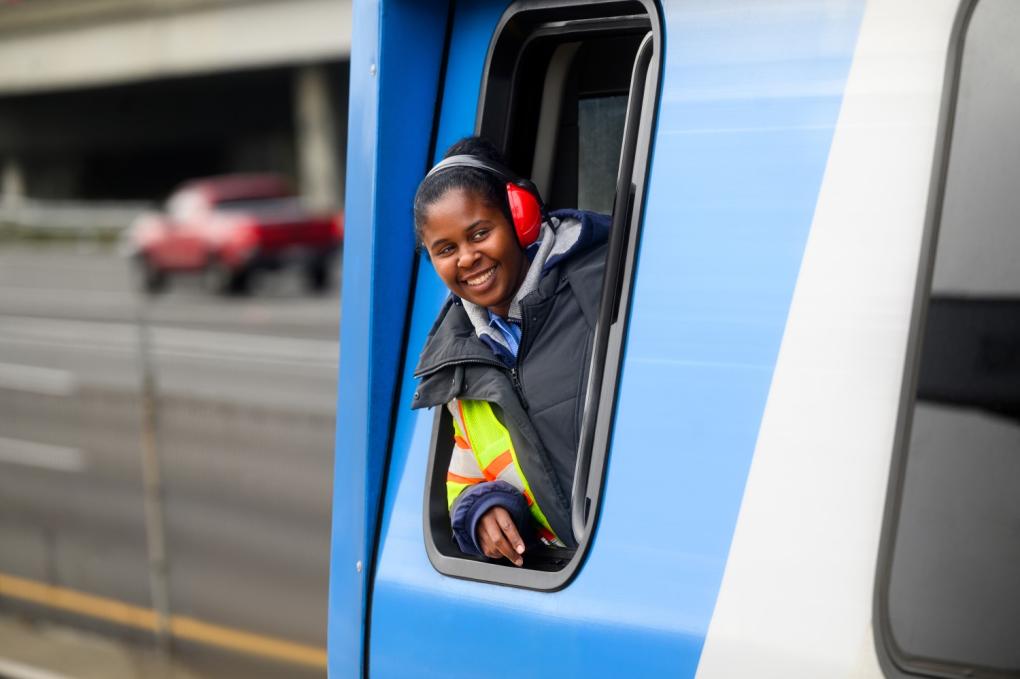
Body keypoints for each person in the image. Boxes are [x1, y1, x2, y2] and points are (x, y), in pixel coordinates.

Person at [411, 136, 608, 567]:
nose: (467, 258)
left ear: (521, 218)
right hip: (578, 576)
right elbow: (466, 474)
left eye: (479, 233)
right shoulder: (460, 361)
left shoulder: (602, 285)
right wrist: (482, 507)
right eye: (445, 250)